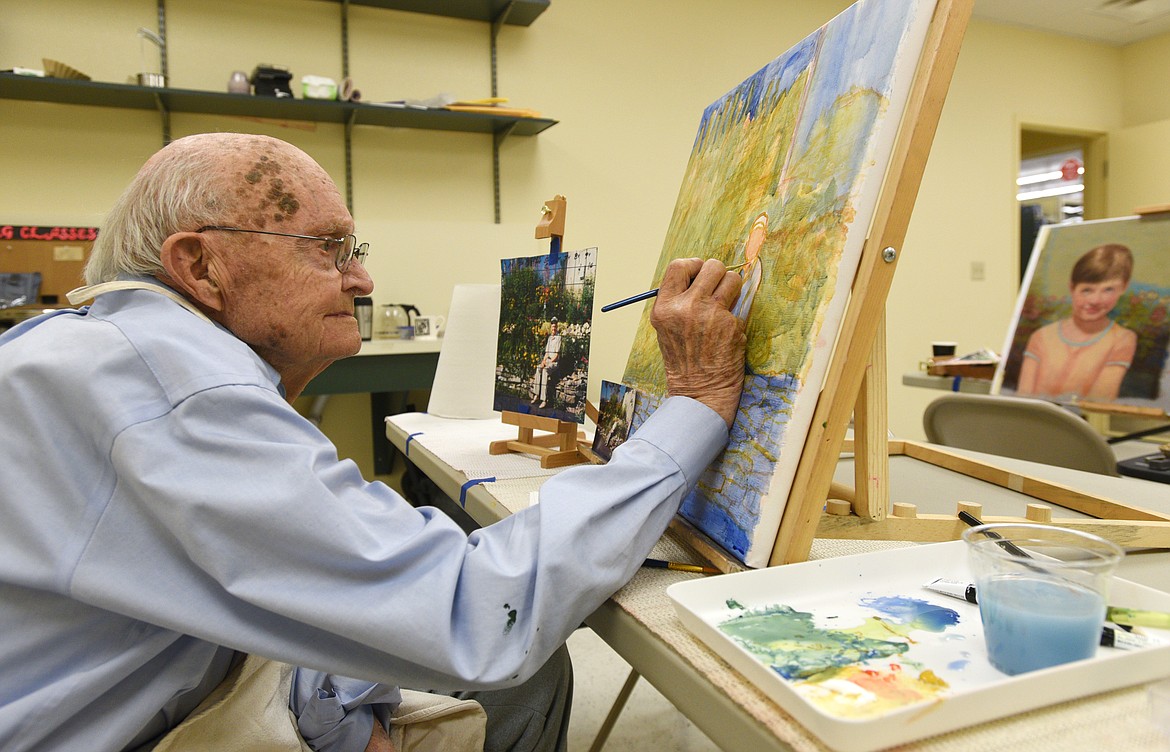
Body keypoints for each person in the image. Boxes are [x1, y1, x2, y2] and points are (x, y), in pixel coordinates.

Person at [0, 133, 746, 752]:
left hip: (163, 683)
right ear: (200, 266)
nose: (362, 277)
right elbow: (484, 616)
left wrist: (335, 705)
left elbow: (238, 580)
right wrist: (698, 404)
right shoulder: (173, 387)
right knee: (522, 669)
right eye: (327, 249)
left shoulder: (108, 346)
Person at [1016, 243, 1137, 401]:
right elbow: (1023, 398)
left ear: (1123, 288)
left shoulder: (1121, 339)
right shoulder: (1042, 337)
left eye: (1108, 290)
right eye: (1087, 290)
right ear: (1072, 287)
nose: (1095, 300)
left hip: (1080, 423)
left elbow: (1099, 401)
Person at [730, 211, 767, 320]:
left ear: (761, 241)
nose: (752, 243)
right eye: (752, 237)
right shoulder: (741, 269)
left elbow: (747, 303)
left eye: (757, 238)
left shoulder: (757, 268)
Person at [530, 317, 562, 408]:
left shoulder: (558, 338)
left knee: (545, 371)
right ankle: (536, 395)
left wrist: (548, 363)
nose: (553, 329)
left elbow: (556, 355)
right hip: (548, 360)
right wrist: (543, 361)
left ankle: (544, 400)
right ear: (550, 328)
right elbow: (547, 352)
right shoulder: (549, 338)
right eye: (552, 327)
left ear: (557, 327)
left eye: (555, 327)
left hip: (554, 362)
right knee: (539, 368)